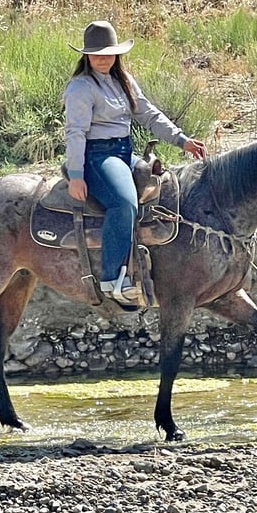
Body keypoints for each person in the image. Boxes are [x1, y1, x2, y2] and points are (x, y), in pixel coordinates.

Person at [63, 20, 207, 303]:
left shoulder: (123, 82)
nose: (103, 58)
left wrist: (182, 140)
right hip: (97, 155)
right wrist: (77, 174)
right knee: (124, 202)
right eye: (96, 53)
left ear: (117, 54)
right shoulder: (80, 87)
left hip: (124, 152)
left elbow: (150, 115)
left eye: (108, 53)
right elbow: (76, 132)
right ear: (87, 56)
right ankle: (112, 279)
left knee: (166, 187)